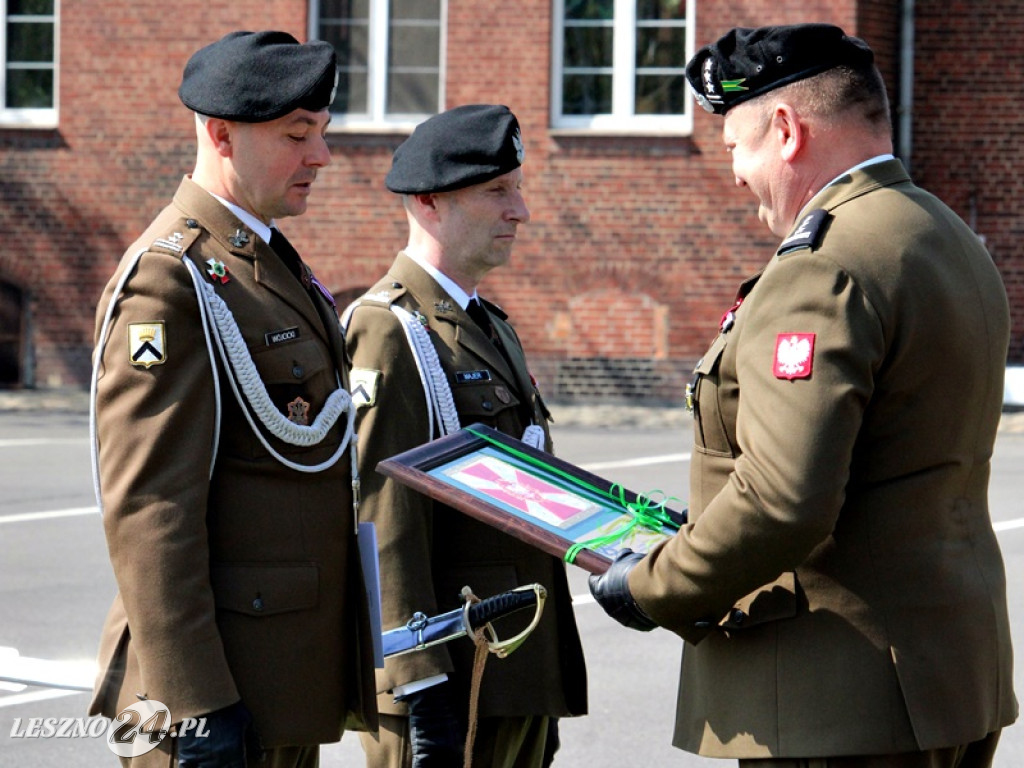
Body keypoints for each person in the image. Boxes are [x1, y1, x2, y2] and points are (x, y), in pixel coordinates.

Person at [589, 22, 1017, 767]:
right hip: (950, 675)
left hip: (840, 699)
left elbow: (782, 499)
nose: (735, 176)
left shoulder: (825, 265)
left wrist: (654, 584)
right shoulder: (941, 232)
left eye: (736, 147)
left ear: (786, 131)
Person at [88, 30, 377, 767]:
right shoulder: (170, 278)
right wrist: (194, 702)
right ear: (221, 135)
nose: (322, 156)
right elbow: (151, 508)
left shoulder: (263, 262)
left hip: (279, 682)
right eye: (297, 135)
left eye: (323, 132)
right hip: (215, 694)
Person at [344, 104, 587, 767]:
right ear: (428, 201)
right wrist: (418, 680)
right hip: (452, 678)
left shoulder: (488, 323)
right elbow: (382, 518)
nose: (521, 211)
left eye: (518, 189)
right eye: (497, 191)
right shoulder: (389, 328)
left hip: (514, 665)